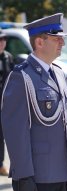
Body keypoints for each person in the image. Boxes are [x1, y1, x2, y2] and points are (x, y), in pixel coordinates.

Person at [1, 13, 67, 191]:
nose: (62, 43)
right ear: (40, 43)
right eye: (56, 39)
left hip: (60, 173)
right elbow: (16, 132)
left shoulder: (58, 74)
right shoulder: (21, 77)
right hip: (36, 175)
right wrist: (24, 175)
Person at [0, 28, 14, 176]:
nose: (2, 43)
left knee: (1, 136)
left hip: (4, 104)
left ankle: (0, 164)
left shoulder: (8, 57)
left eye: (4, 40)